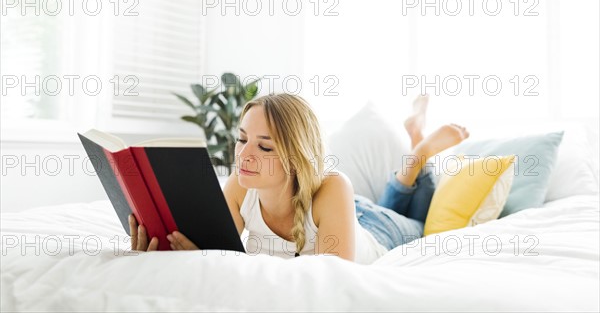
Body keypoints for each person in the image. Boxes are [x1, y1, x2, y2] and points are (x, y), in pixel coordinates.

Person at [129, 93, 469, 264]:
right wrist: (169, 249)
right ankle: (412, 148)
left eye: (264, 147)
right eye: (242, 138)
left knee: (420, 223)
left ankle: (417, 154)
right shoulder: (241, 182)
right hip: (338, 215)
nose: (244, 155)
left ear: (296, 156)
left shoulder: (335, 185)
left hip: (376, 228)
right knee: (381, 203)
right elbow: (220, 259)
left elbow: (328, 279)